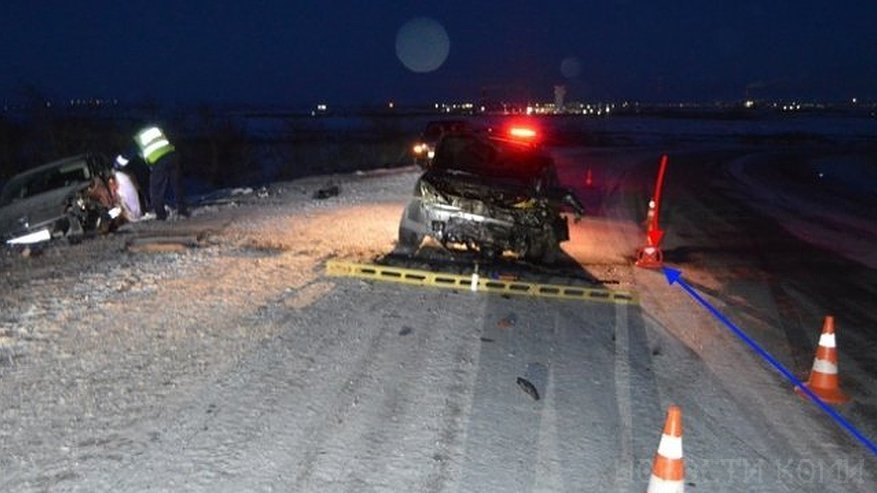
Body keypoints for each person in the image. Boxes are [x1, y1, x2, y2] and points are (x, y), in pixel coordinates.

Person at [128, 125, 187, 220]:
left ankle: (161, 215)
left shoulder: (138, 138)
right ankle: (183, 210)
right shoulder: (155, 129)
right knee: (177, 185)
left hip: (159, 161)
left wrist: (117, 165)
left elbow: (128, 154)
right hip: (173, 155)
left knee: (155, 189)